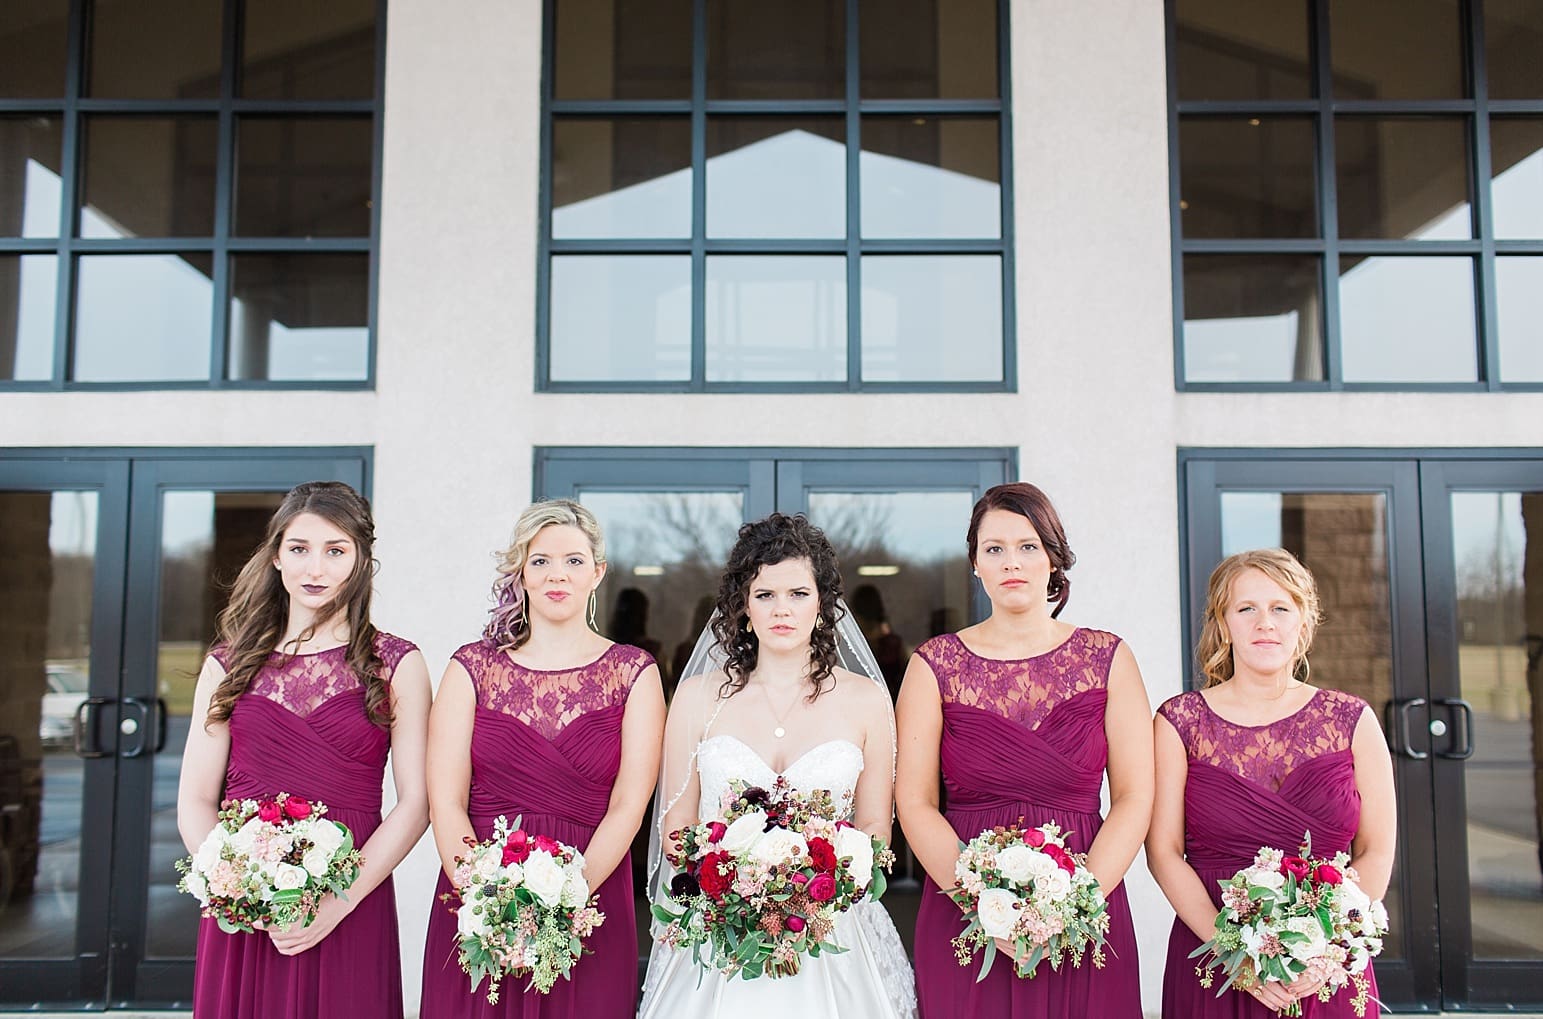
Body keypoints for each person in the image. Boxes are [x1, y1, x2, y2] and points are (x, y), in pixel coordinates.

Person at [637, 513, 916, 1019]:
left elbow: (875, 828)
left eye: (798, 594)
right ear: (743, 606)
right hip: (722, 934)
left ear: (823, 603)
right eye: (764, 595)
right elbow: (676, 823)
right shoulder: (698, 698)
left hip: (835, 931)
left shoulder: (867, 700)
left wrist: (806, 891)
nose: (781, 610)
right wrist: (739, 888)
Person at [177, 481, 431, 1019]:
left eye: (335, 551)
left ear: (361, 560)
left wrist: (340, 901)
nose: (315, 568)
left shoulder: (397, 664)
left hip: (350, 892)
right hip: (245, 905)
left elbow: (416, 803)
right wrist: (240, 889)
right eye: (299, 549)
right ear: (276, 555)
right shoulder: (228, 664)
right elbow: (196, 798)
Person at [896, 482, 1151, 1018]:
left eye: (1028, 546)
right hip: (963, 905)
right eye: (995, 549)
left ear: (1054, 559)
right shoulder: (933, 665)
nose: (1012, 562)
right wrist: (982, 903)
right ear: (975, 564)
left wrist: (1073, 903)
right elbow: (914, 803)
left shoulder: (1109, 658)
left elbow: (1134, 796)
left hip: (1086, 901)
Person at [420, 499, 664, 1018]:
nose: (559, 574)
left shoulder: (634, 674)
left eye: (574, 561)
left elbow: (629, 804)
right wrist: (489, 899)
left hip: (589, 901)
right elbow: (445, 800)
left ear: (597, 573)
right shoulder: (471, 669)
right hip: (478, 902)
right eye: (541, 560)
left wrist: (564, 900)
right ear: (521, 572)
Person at [1147, 548, 1396, 1017]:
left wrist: (1327, 951)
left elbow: (1377, 851)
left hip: (1325, 969)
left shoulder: (1352, 720)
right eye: (1247, 608)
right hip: (1214, 962)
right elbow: (1162, 851)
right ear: (1224, 624)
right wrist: (1234, 952)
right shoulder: (1179, 721)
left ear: (1303, 621)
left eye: (1281, 608)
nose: (1265, 622)